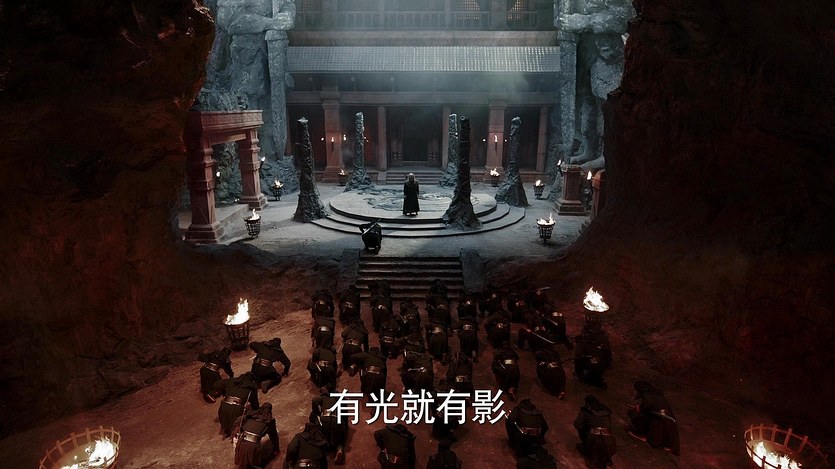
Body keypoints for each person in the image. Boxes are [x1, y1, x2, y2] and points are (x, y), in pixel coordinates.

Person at [627, 381, 680, 455]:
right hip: (667, 421)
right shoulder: (657, 395)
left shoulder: (646, 394)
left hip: (661, 420)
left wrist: (640, 408)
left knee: (633, 414)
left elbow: (647, 405)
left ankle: (646, 436)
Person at [213, 372, 260, 439]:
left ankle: (226, 430)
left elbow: (216, 384)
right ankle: (233, 432)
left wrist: (224, 392)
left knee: (227, 416)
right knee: (240, 420)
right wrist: (257, 411)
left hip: (223, 407)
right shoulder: (251, 387)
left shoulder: (232, 381)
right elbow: (254, 402)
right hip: (236, 409)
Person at [574, 395, 616, 469]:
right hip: (610, 444)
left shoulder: (585, 411)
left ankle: (588, 450)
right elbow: (609, 427)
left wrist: (587, 430)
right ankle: (604, 458)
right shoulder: (606, 412)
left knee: (583, 432)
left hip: (594, 442)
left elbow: (577, 424)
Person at [234, 402, 280, 469]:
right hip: (252, 446)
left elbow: (237, 421)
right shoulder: (269, 422)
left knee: (244, 460)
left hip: (241, 441)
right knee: (254, 463)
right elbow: (274, 437)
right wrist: (276, 449)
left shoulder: (251, 415)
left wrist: (241, 429)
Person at [311, 388, 348, 465]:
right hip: (336, 419)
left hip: (325, 418)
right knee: (340, 436)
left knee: (321, 432)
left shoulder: (324, 398)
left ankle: (320, 448)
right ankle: (339, 449)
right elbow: (345, 416)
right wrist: (344, 429)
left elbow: (314, 400)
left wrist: (317, 413)